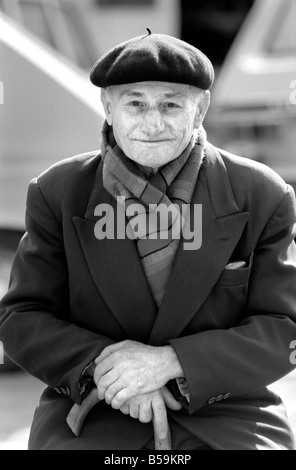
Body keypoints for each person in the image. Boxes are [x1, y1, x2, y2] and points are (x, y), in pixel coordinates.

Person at [1, 30, 296, 451]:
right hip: (95, 411)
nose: (152, 123)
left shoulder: (262, 194)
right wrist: (112, 372)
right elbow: (21, 318)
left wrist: (171, 363)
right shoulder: (57, 192)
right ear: (107, 107)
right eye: (135, 103)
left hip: (225, 414)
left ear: (200, 110)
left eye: (171, 104)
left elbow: (285, 329)